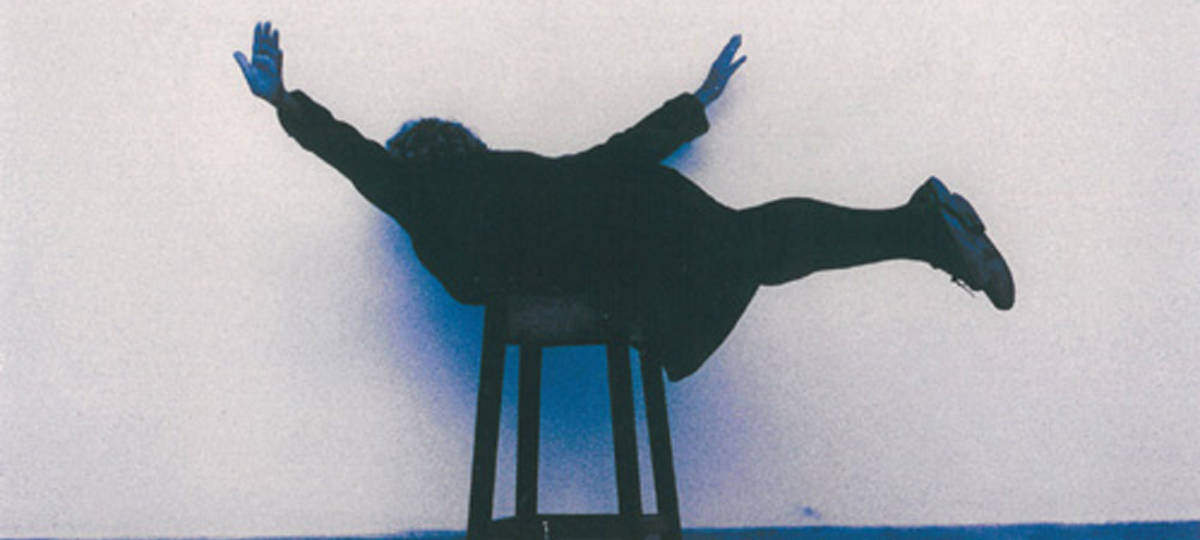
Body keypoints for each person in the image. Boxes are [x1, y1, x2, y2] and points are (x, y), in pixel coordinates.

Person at [235, 22, 1013, 381]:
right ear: (464, 144)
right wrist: (697, 101)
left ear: (415, 160)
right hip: (641, 214)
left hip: (634, 238)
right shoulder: (514, 176)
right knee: (760, 242)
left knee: (758, 246)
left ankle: (921, 228)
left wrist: (284, 105)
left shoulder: (420, 196)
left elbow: (353, 154)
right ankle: (920, 226)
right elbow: (614, 156)